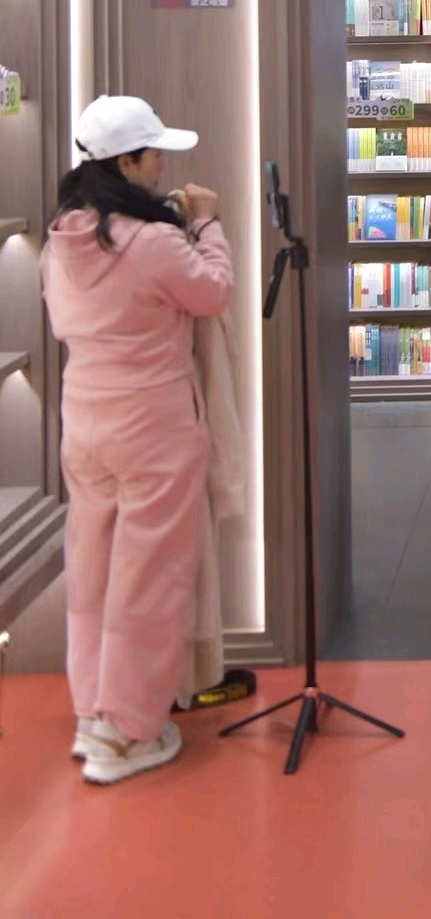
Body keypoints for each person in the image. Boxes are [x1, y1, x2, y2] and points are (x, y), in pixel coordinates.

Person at [40, 95, 234, 784]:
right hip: (154, 424)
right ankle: (128, 731)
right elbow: (212, 291)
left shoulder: (61, 238)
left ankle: (95, 712)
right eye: (154, 155)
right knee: (149, 579)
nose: (161, 166)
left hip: (86, 419)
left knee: (93, 569)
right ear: (126, 162)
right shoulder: (151, 242)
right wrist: (207, 226)